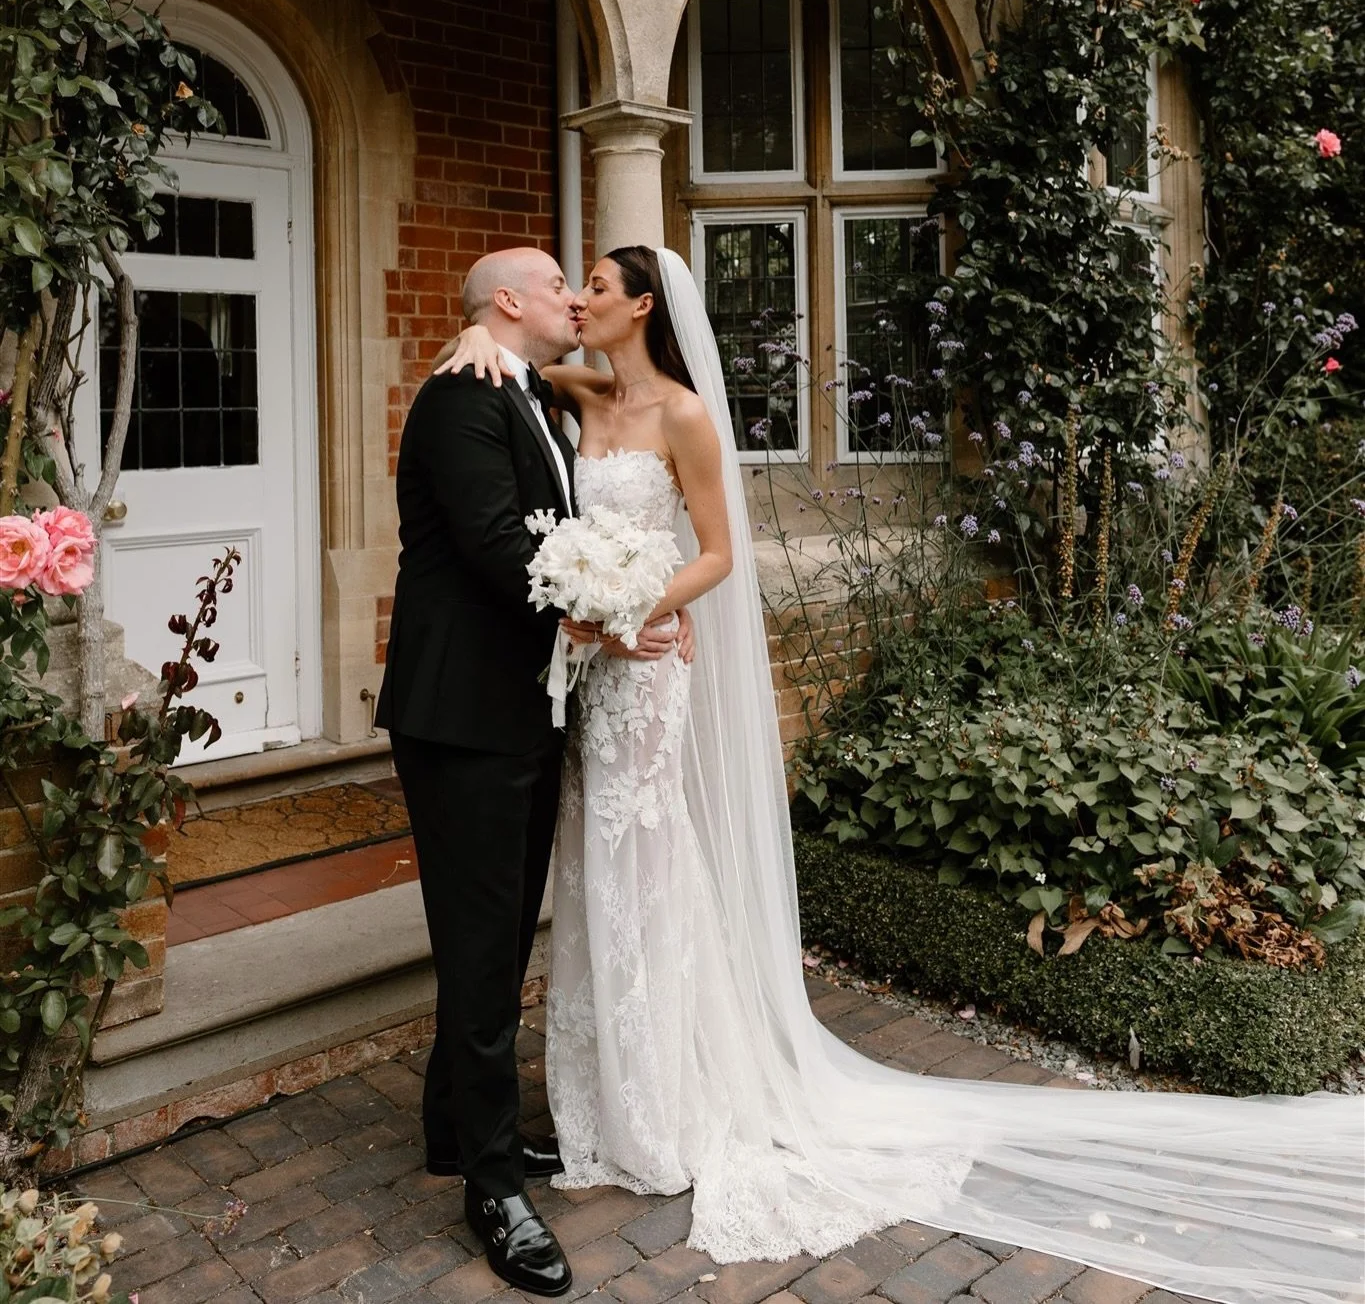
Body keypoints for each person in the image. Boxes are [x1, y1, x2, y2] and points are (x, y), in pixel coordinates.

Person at [440, 245, 1364, 1304]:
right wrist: (474, 327)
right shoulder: (576, 389)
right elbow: (500, 351)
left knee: (644, 857)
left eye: (597, 285)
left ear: (643, 305)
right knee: (591, 864)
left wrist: (634, 610)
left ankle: (665, 1105)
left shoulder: (686, 416)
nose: (580, 297)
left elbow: (719, 552)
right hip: (593, 675)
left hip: (642, 667)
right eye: (570, 286)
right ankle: (600, 1106)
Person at [377, 248, 688, 1298]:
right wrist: (612, 622)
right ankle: (497, 1189)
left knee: (501, 936)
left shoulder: (523, 387)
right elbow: (499, 547)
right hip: (462, 714)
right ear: (509, 301)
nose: (573, 295)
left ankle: (452, 1131)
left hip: (518, 710)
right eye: (559, 282)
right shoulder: (464, 394)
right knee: (481, 945)